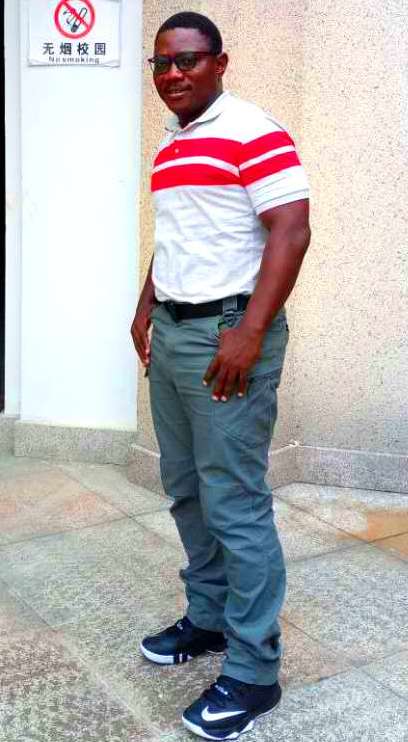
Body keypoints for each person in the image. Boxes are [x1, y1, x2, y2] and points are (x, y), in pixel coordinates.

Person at [131, 11, 310, 740]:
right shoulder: (172, 143)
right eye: (162, 63)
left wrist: (250, 334)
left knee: (234, 501)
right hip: (175, 332)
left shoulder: (252, 130)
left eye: (188, 60)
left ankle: (255, 671)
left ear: (220, 62)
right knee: (186, 488)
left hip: (227, 338)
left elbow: (291, 228)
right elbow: (180, 235)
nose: (173, 74)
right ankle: (208, 619)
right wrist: (145, 305)